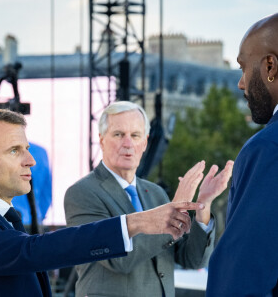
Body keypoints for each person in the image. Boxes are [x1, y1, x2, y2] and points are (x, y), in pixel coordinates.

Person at [0, 109, 206, 297]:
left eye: (26, 149)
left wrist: (203, 208)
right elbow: (32, 251)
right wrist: (136, 222)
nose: (31, 160)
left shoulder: (4, 218)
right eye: (14, 151)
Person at [64, 101, 233, 297]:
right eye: (118, 134)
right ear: (101, 140)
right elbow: (119, 260)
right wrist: (174, 211)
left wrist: (203, 204)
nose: (127, 143)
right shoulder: (82, 194)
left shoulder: (156, 194)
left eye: (135, 136)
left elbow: (192, 260)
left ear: (144, 143)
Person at [206, 13, 278, 296]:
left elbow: (241, 276)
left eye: (243, 67)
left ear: (270, 66)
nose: (241, 83)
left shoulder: (268, 149)